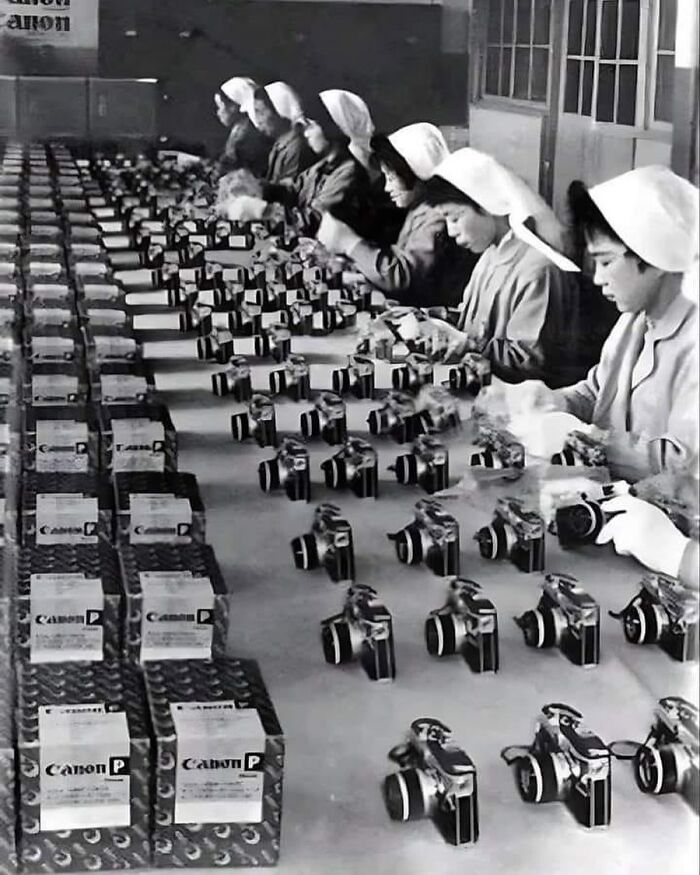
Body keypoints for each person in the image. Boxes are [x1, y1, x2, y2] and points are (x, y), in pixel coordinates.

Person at [543, 165, 699, 482]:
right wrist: (555, 401)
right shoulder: (633, 320)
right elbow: (597, 391)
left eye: (606, 261)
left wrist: (589, 441)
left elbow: (683, 464)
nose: (598, 278)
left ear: (655, 257)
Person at [418, 147, 581, 384]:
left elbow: (528, 360)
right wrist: (432, 318)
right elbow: (472, 322)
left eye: (455, 218)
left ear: (486, 205)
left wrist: (469, 344)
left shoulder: (539, 270)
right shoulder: (491, 253)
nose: (451, 231)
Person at [317, 123, 477, 307]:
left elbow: (404, 278)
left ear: (415, 173)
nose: (387, 187)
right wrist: (362, 273)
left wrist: (349, 243)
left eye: (391, 178)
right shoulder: (420, 208)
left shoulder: (437, 217)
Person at [261, 90, 387, 237]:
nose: (305, 133)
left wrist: (262, 210)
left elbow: (312, 220)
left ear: (331, 128)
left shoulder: (349, 173)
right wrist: (258, 188)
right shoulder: (323, 166)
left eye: (311, 126)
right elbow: (293, 188)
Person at [242, 81, 316, 183]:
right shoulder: (280, 144)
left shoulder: (296, 148)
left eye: (261, 113)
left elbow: (288, 191)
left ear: (280, 111)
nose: (258, 120)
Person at [215, 77, 271, 177]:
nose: (218, 113)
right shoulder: (240, 130)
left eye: (220, 107)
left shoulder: (246, 137)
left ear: (234, 107)